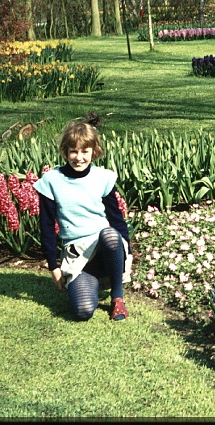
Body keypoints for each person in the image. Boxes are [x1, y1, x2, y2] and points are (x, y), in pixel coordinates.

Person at [34, 120, 133, 322]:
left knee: (110, 234)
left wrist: (128, 254)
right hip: (78, 254)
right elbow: (46, 226)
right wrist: (54, 266)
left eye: (85, 151)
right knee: (83, 311)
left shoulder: (102, 177)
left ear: (93, 151)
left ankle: (117, 297)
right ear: (65, 151)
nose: (79, 158)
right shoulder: (52, 180)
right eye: (73, 151)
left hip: (105, 245)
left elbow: (117, 219)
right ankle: (90, 282)